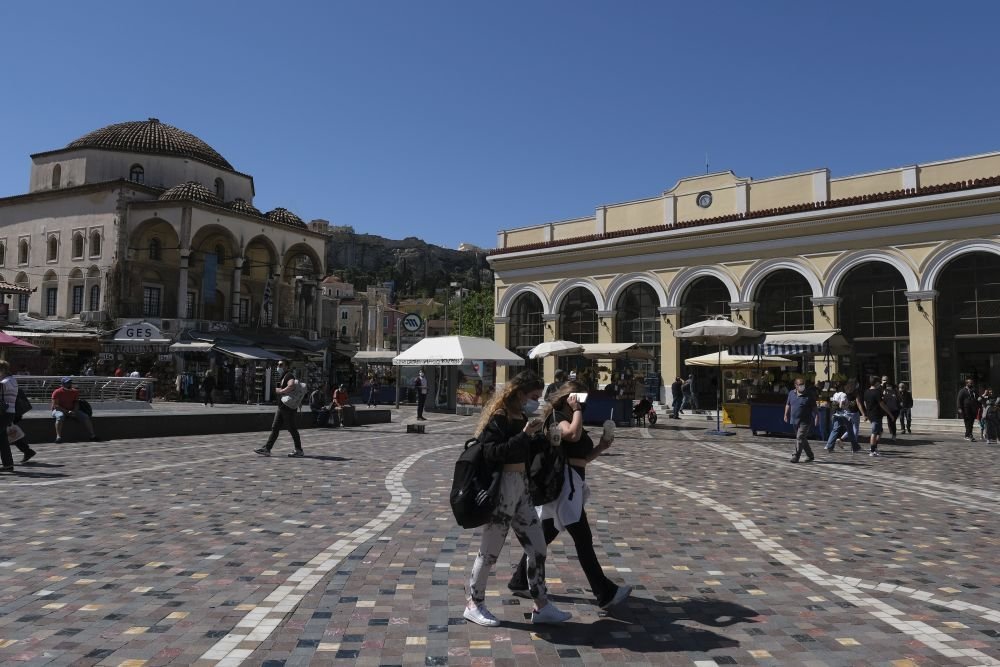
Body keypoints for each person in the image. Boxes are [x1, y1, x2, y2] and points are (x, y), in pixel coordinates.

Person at [508, 381, 633, 610]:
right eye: (579, 397)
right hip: (564, 488)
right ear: (568, 396)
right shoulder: (557, 417)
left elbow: (581, 459)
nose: (583, 403)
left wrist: (601, 447)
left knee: (544, 536)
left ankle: (520, 581)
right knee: (583, 540)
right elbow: (572, 435)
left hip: (570, 484)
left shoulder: (571, 417)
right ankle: (604, 592)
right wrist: (576, 410)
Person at [464, 370, 571, 628]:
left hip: (521, 489)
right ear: (519, 392)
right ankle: (474, 603)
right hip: (502, 492)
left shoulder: (520, 415)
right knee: (489, 551)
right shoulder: (499, 417)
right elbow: (492, 452)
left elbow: (524, 450)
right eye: (532, 396)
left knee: (538, 547)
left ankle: (541, 604)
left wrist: (544, 440)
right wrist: (524, 435)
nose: (534, 402)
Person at [254, 361, 304, 458]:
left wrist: (281, 391)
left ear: (287, 366)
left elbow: (291, 385)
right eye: (278, 365)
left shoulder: (288, 375)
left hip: (287, 408)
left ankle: (299, 450)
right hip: (282, 407)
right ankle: (267, 449)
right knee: (275, 427)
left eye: (281, 365)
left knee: (292, 429)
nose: (278, 366)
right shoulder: (283, 376)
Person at [0, 361, 36, 464]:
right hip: (8, 413)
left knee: (5, 437)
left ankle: (11, 462)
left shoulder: (6, 382)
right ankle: (8, 464)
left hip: (4, 413)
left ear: (2, 370)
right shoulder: (11, 380)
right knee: (3, 437)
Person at [50, 377, 98, 443]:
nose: (69, 384)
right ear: (63, 384)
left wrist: (74, 411)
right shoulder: (57, 392)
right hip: (58, 410)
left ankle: (92, 436)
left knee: (85, 416)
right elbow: (56, 406)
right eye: (67, 383)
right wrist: (67, 412)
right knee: (60, 416)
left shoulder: (75, 391)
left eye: (70, 382)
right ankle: (58, 437)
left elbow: (76, 403)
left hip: (71, 410)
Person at [784, 378, 817, 463]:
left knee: (799, 437)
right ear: (796, 385)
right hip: (794, 420)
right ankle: (810, 455)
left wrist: (816, 416)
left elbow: (814, 407)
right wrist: (786, 414)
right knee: (802, 439)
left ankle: (796, 456)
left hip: (805, 421)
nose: (802, 386)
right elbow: (788, 404)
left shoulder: (809, 394)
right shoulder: (791, 393)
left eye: (803, 384)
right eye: (800, 385)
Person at [824, 382, 859, 453]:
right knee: (850, 430)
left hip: (836, 415)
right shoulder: (843, 395)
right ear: (841, 387)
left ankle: (829, 446)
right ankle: (855, 447)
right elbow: (841, 406)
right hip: (844, 415)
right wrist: (849, 404)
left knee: (835, 430)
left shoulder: (835, 394)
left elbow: (835, 405)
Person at [864, 375, 890, 456]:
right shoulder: (876, 392)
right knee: (874, 432)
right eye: (879, 382)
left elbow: (865, 402)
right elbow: (881, 404)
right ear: (876, 383)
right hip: (876, 414)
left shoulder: (866, 391)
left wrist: (867, 412)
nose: (880, 384)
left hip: (871, 414)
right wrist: (889, 413)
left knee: (880, 431)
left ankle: (874, 446)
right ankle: (872, 450)